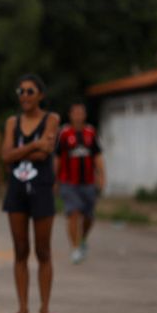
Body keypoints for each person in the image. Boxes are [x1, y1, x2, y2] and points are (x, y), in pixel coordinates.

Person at [1, 74, 60, 313]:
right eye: (21, 91)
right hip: (17, 190)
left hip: (42, 188)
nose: (25, 95)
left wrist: (22, 151)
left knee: (43, 250)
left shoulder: (52, 119)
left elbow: (46, 151)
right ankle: (22, 309)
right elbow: (5, 155)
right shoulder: (13, 122)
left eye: (30, 91)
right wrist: (33, 146)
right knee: (20, 250)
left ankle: (44, 310)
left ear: (40, 95)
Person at [54, 102, 106, 264]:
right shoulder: (63, 134)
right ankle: (75, 248)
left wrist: (102, 175)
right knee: (73, 213)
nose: (78, 115)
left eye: (81, 112)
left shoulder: (90, 133)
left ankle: (82, 239)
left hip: (88, 181)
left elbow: (97, 156)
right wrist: (54, 179)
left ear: (84, 115)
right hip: (69, 182)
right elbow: (57, 158)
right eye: (75, 112)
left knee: (89, 217)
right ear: (70, 115)